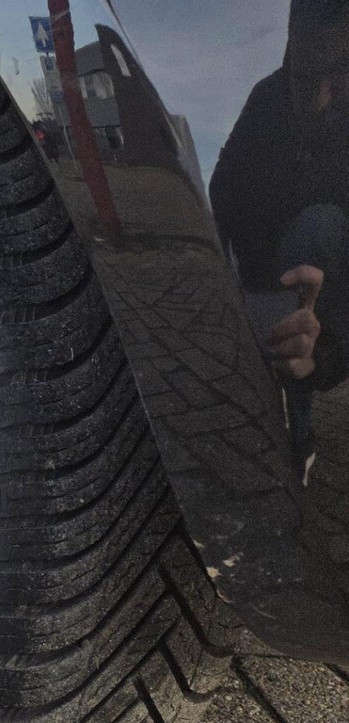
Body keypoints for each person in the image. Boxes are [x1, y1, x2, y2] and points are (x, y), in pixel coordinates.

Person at [210, 0, 349, 480]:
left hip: (328, 284)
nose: (322, 96)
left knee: (318, 232)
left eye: (338, 74)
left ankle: (299, 437)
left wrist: (325, 353)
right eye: (307, 78)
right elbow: (223, 186)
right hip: (263, 268)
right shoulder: (267, 97)